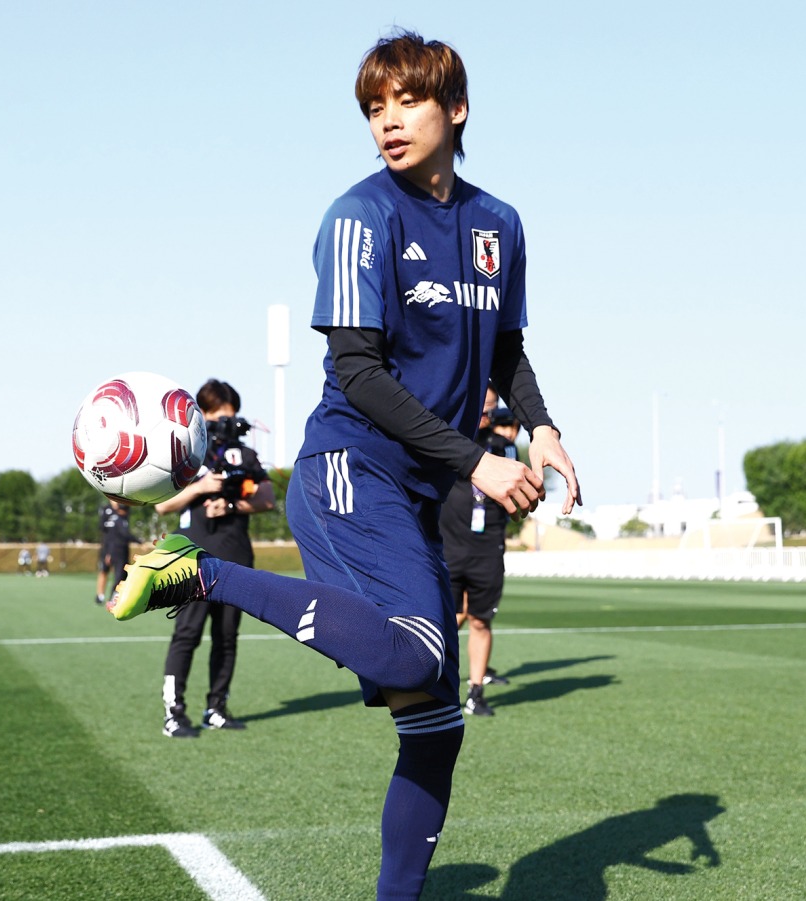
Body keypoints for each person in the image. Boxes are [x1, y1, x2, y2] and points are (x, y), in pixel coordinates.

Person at [107, 30, 579, 901]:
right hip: (348, 468)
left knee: (435, 722)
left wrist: (541, 428)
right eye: (374, 107)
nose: (388, 122)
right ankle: (199, 571)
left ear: (457, 108)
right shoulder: (361, 217)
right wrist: (479, 459)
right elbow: (358, 374)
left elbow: (505, 348)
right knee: (412, 659)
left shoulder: (499, 225)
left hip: (419, 486)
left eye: (407, 101)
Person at [153, 380, 276, 738]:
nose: (226, 422)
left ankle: (216, 707)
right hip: (192, 558)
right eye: (219, 415)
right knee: (187, 632)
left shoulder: (245, 455)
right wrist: (201, 487)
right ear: (202, 415)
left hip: (235, 555)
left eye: (231, 415)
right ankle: (174, 713)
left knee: (227, 636)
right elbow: (162, 505)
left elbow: (266, 498)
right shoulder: (188, 456)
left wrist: (234, 503)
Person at [441, 387, 518, 716]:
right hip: (448, 545)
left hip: (487, 546)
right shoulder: (445, 438)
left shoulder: (504, 446)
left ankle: (475, 692)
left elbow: (513, 491)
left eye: (491, 407)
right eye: (481, 406)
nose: (485, 413)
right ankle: (427, 683)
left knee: (480, 620)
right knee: (447, 619)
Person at [96, 500, 139, 604]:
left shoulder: (124, 509)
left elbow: (125, 532)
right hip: (108, 545)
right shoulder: (106, 509)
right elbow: (102, 527)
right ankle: (100, 595)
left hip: (119, 547)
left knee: (120, 574)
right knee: (104, 570)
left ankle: (115, 596)